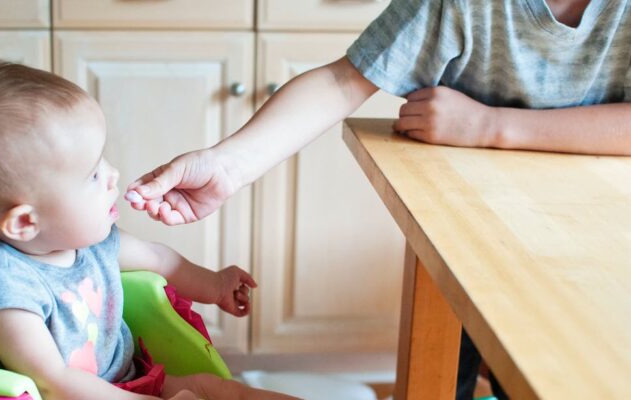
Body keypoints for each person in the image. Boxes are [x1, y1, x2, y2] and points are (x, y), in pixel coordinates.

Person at [125, 0, 631, 398]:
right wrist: (228, 165)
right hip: (467, 237)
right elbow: (345, 79)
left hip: (599, 247)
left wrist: (490, 125)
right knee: (448, 372)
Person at [0, 61, 299, 400]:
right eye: (93, 175)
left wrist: (215, 284)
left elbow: (158, 259)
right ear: (24, 222)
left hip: (125, 382)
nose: (113, 175)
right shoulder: (2, 288)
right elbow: (53, 381)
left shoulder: (87, 241)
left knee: (222, 391)